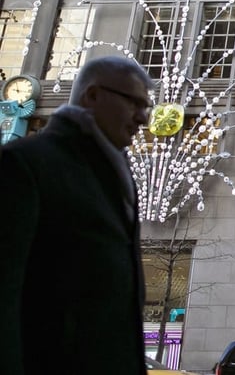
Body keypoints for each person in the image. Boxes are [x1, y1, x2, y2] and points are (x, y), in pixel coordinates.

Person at [0, 56, 154, 375]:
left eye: (147, 107)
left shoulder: (115, 174)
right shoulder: (25, 165)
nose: (143, 119)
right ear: (93, 95)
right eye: (134, 103)